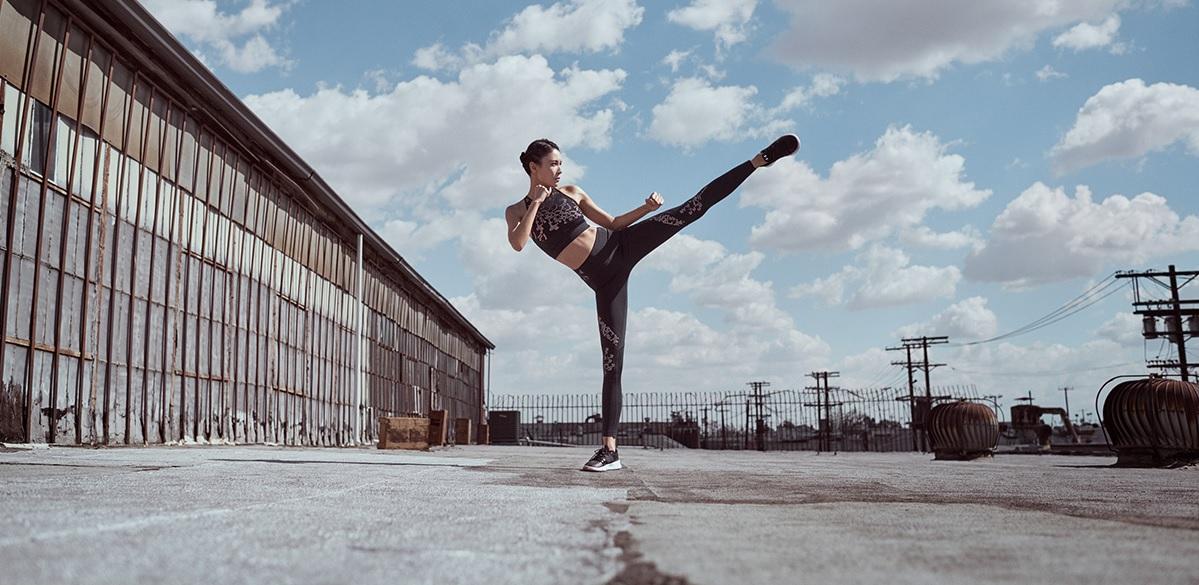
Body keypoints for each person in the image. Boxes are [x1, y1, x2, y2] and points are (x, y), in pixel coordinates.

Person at [505, 134, 800, 471]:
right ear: (534, 167)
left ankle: (758, 160)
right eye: (553, 164)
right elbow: (518, 242)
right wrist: (538, 203)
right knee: (611, 363)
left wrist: (646, 209)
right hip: (605, 283)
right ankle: (610, 452)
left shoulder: (573, 192)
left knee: (693, 208)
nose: (559, 170)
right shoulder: (516, 211)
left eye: (561, 163)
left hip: (622, 246)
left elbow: (613, 223)